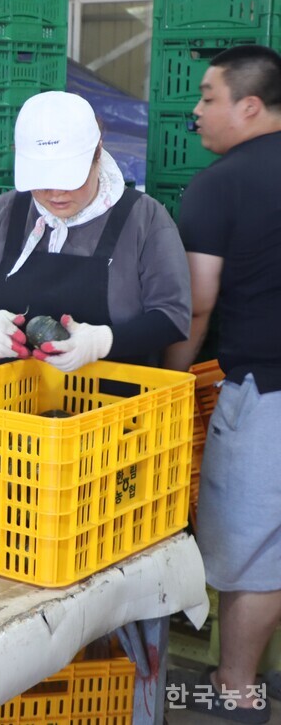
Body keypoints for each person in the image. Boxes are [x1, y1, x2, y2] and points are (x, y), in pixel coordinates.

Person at [164, 44, 281, 723]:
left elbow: (198, 301)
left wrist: (168, 381)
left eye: (208, 97)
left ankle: (236, 690)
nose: (197, 111)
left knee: (253, 551)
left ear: (249, 105)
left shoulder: (220, 183)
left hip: (265, 393)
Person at [0, 90, 190, 371]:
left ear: (98, 153)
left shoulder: (144, 219)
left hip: (112, 407)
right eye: (43, 179)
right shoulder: (1, 214)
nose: (56, 192)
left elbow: (173, 317)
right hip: (8, 407)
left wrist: (103, 341)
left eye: (70, 178)